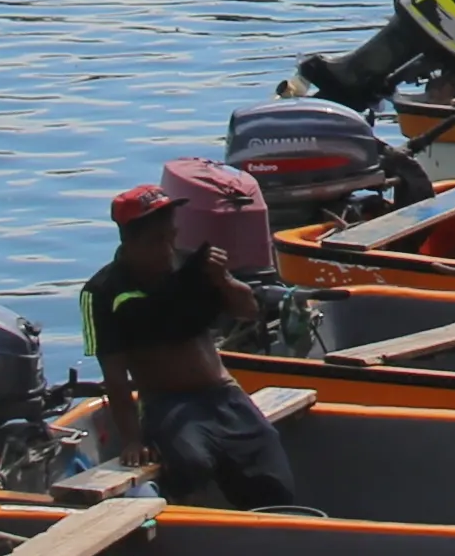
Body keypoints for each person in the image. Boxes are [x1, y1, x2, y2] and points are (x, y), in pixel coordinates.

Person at [80, 184, 299, 508]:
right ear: (129, 242)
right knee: (191, 463)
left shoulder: (191, 265)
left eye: (171, 236)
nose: (167, 248)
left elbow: (249, 311)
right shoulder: (102, 292)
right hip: (167, 403)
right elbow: (114, 373)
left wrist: (223, 279)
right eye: (156, 241)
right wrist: (131, 439)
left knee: (269, 458)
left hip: (223, 394)